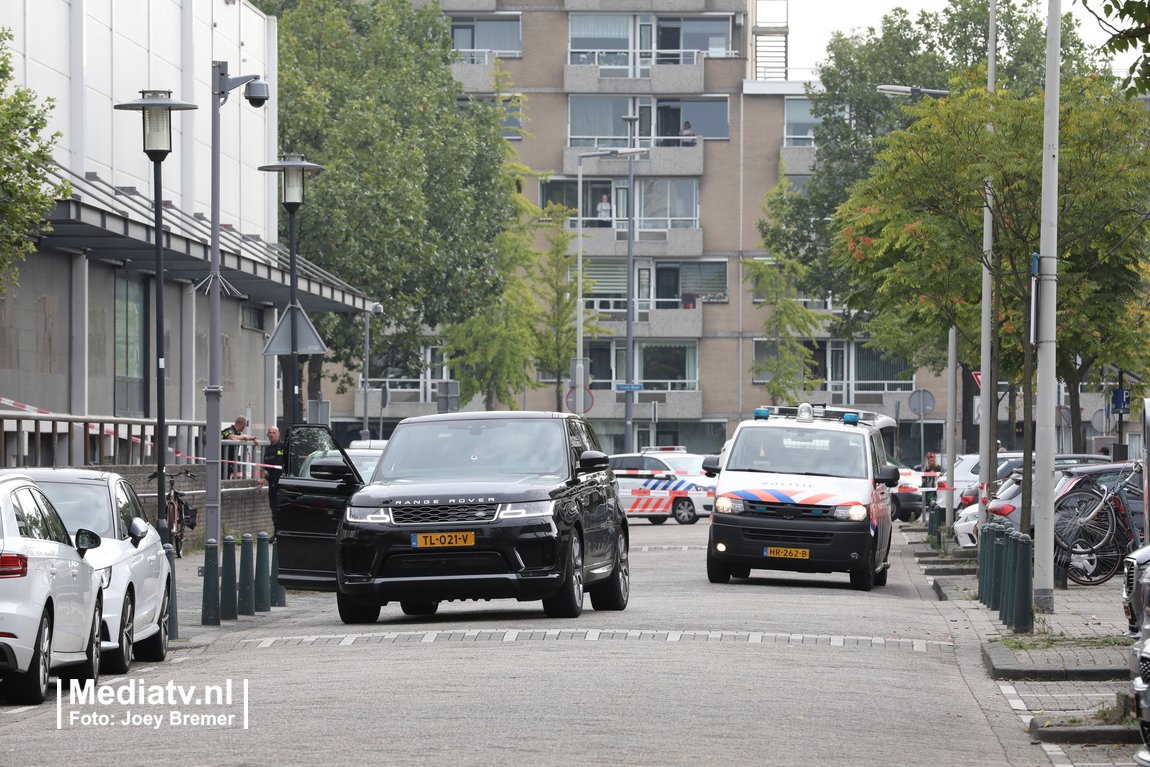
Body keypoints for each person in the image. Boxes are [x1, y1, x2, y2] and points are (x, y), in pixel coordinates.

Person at [258, 426, 285, 522]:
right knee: (273, 508)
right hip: (273, 482)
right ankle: (276, 532)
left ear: (278, 434)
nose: (272, 435)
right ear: (267, 435)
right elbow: (264, 467)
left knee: (282, 508)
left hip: (284, 483)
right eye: (270, 433)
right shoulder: (268, 450)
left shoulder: (284, 446)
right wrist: (263, 478)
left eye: (274, 433)